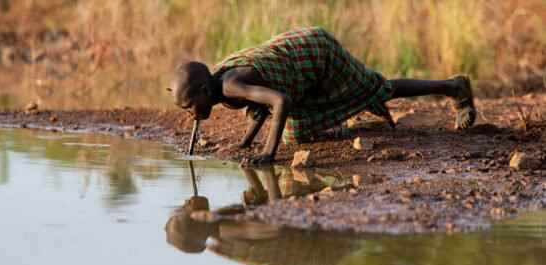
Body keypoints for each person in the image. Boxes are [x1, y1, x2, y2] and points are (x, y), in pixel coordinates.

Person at [168, 27, 476, 165]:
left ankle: (453, 87)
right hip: (296, 55)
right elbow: (260, 106)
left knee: (376, 87)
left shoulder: (230, 85)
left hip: (316, 51)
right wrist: (245, 144)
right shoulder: (220, 81)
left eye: (189, 106)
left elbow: (279, 101)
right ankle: (358, 118)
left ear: (205, 90)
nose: (191, 114)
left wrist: (268, 153)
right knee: (297, 133)